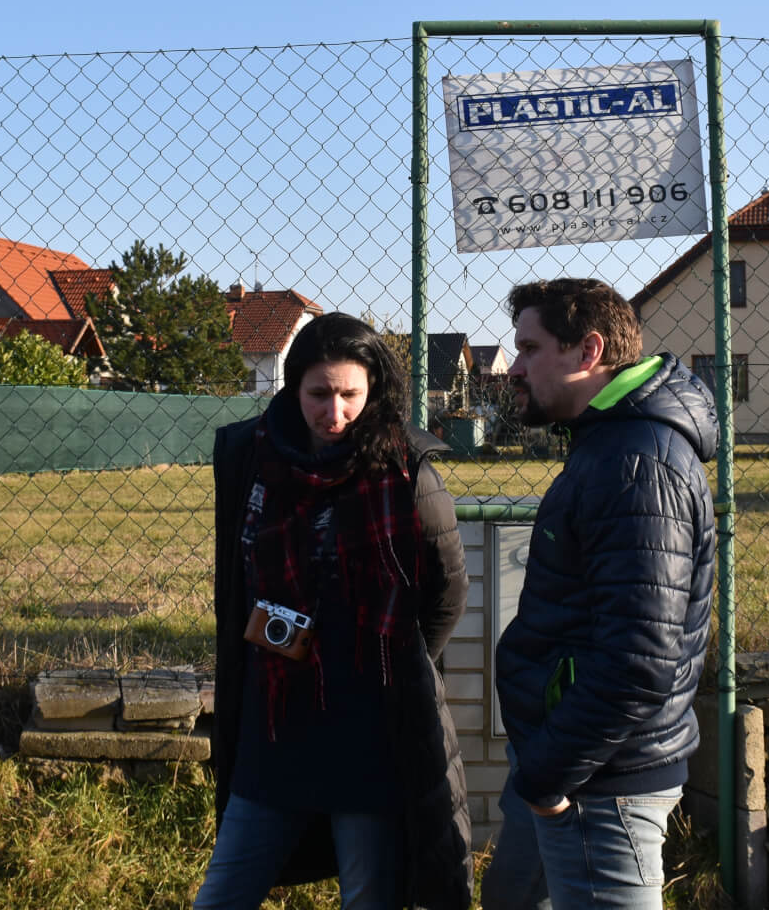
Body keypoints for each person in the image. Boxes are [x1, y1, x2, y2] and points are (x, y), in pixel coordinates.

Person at [198, 312, 472, 910]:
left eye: (351, 394)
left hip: (368, 725)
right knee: (222, 893)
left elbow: (448, 591)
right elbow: (237, 581)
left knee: (369, 895)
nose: (335, 412)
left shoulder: (404, 469)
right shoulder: (251, 456)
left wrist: (396, 666)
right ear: (294, 387)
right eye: (319, 394)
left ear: (373, 390)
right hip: (274, 719)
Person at [479, 279, 717, 910]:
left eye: (530, 349)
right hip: (571, 761)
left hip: (602, 778)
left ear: (588, 351)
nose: (515, 368)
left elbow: (638, 659)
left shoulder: (635, 462)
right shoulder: (609, 445)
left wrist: (549, 777)